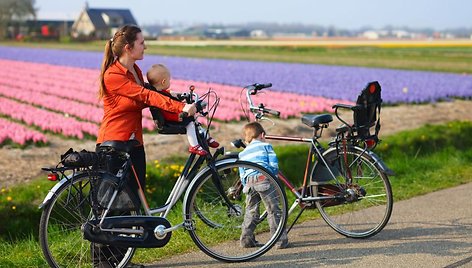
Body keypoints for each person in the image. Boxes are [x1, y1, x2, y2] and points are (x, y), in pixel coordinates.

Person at [95, 24, 196, 268]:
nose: (145, 46)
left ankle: (121, 261)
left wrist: (178, 98)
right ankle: (104, 263)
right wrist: (180, 108)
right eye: (142, 43)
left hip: (133, 144)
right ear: (128, 48)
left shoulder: (136, 70)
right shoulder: (113, 75)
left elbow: (152, 92)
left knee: (130, 205)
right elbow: (146, 96)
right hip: (114, 144)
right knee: (112, 207)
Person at [145, 63, 219, 156]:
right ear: (163, 82)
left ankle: (207, 138)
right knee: (191, 123)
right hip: (172, 118)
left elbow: (171, 94)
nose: (169, 82)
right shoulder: (159, 96)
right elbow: (167, 112)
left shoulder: (159, 92)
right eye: (169, 80)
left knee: (196, 123)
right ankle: (194, 146)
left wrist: (182, 95)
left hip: (173, 115)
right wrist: (180, 115)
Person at [238, 122, 289, 249]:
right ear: (262, 135)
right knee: (273, 210)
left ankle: (246, 240)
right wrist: (274, 179)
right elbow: (273, 166)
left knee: (251, 211)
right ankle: (279, 241)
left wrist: (246, 186)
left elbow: (242, 173)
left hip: (249, 183)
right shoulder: (266, 146)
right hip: (264, 179)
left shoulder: (242, 153)